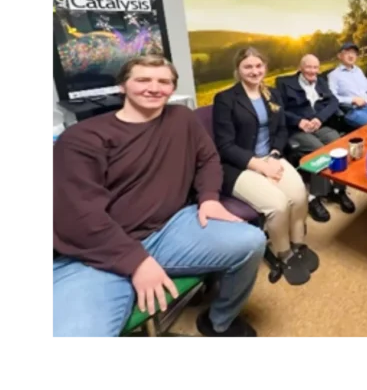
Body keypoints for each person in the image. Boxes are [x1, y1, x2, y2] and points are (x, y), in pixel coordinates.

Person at [50, 55, 267, 343]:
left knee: (252, 241)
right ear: (122, 86)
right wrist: (136, 261)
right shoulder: (82, 138)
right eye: (143, 80)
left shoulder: (182, 119)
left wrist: (209, 198)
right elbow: (78, 217)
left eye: (163, 81)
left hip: (168, 229)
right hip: (95, 254)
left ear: (172, 88)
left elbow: (208, 160)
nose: (154, 88)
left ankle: (219, 322)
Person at [213, 48, 317, 287]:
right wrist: (259, 165)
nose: (254, 71)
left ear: (265, 67)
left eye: (258, 66)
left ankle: (298, 244)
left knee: (299, 195)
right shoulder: (225, 99)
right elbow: (225, 146)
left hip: (271, 158)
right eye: (248, 67)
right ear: (238, 70)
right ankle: (283, 253)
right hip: (239, 166)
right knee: (278, 205)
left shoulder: (272, 94)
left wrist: (275, 155)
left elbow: (281, 130)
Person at [278, 54, 355, 222]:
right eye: (308, 67)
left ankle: (338, 190)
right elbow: (278, 110)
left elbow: (333, 102)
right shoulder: (284, 83)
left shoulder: (320, 81)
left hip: (318, 125)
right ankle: (315, 197)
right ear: (300, 67)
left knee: (340, 146)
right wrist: (299, 121)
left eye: (315, 67)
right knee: (320, 152)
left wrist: (319, 118)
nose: (312, 71)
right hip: (297, 129)